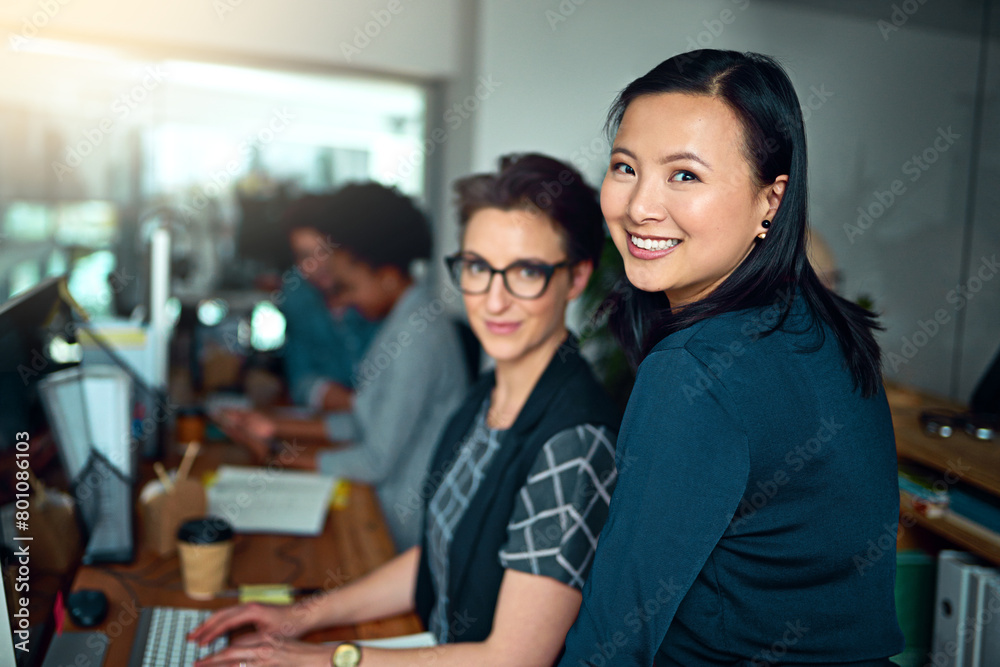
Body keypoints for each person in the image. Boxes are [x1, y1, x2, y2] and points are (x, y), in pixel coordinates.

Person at [190, 154, 620, 667]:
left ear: (575, 279)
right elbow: (438, 558)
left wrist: (328, 658)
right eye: (478, 268)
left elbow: (512, 659)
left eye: (526, 271)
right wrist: (301, 617)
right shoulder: (487, 395)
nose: (493, 300)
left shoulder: (573, 441)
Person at [559, 50, 904, 666]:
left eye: (684, 175)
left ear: (771, 200)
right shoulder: (820, 326)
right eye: (625, 166)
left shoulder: (696, 369)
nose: (640, 205)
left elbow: (612, 645)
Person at [219, 183, 470, 550]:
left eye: (349, 287)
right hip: (382, 512)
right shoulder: (402, 320)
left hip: (403, 532)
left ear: (385, 274)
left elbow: (374, 461)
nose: (346, 301)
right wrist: (273, 427)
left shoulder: (419, 337)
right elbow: (364, 421)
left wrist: (277, 455)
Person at [278, 194, 381, 409]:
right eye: (305, 256)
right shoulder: (297, 296)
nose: (318, 265)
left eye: (324, 251)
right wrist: (326, 393)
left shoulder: (378, 293)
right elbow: (300, 378)